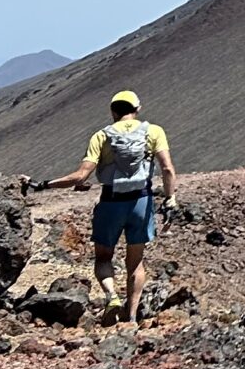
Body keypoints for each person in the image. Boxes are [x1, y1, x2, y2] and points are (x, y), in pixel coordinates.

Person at [40, 88, 175, 322]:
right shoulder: (153, 132)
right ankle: (131, 317)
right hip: (141, 201)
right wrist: (170, 198)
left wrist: (43, 185)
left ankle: (112, 296)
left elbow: (81, 176)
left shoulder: (101, 136)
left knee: (103, 258)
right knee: (136, 262)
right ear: (137, 109)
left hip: (111, 201)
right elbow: (167, 168)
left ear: (113, 111)